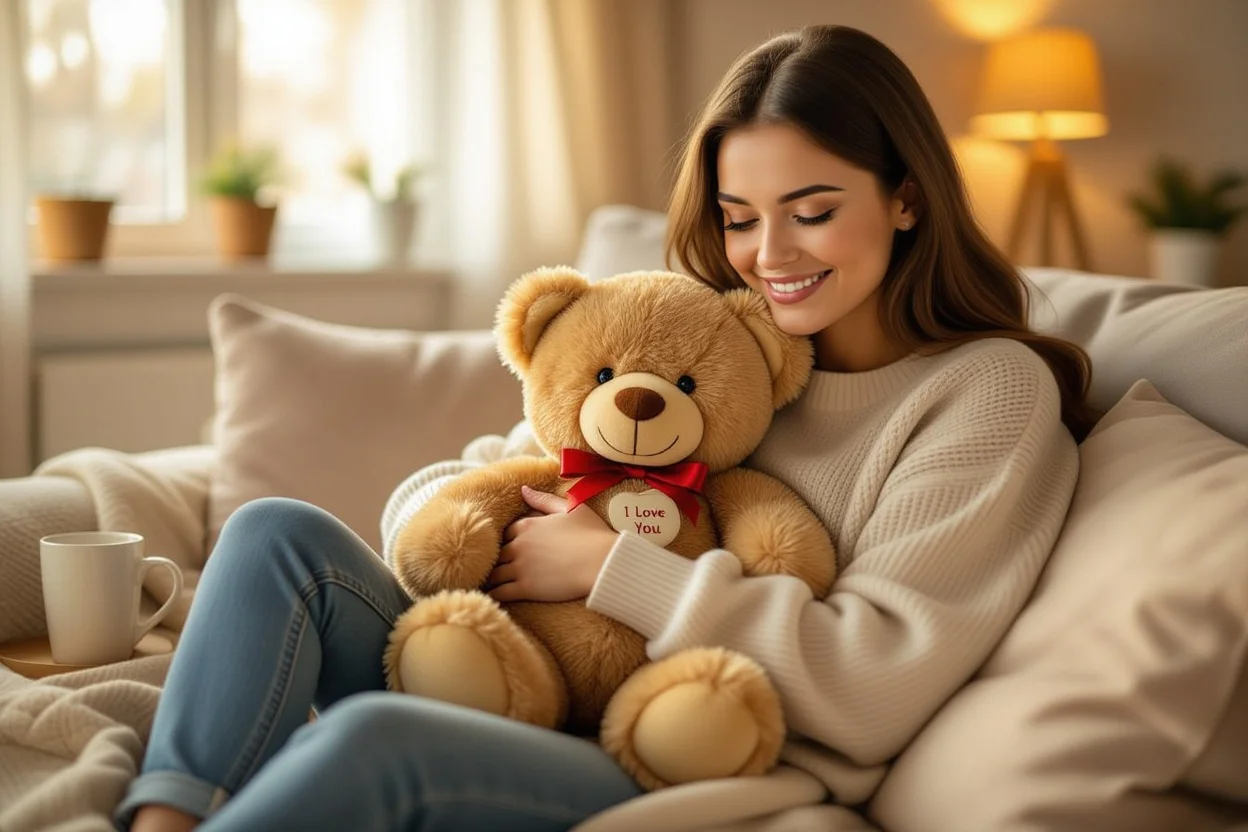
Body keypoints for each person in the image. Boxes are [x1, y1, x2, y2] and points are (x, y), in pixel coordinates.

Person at [122, 24, 1095, 832]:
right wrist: (475, 521)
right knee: (274, 536)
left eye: (812, 211)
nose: (768, 255)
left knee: (370, 741)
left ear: (907, 196)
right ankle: (166, 818)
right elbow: (505, 465)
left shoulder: (985, 391)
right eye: (740, 217)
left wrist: (608, 565)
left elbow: (871, 684)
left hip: (695, 746)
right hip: (525, 672)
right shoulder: (728, 345)